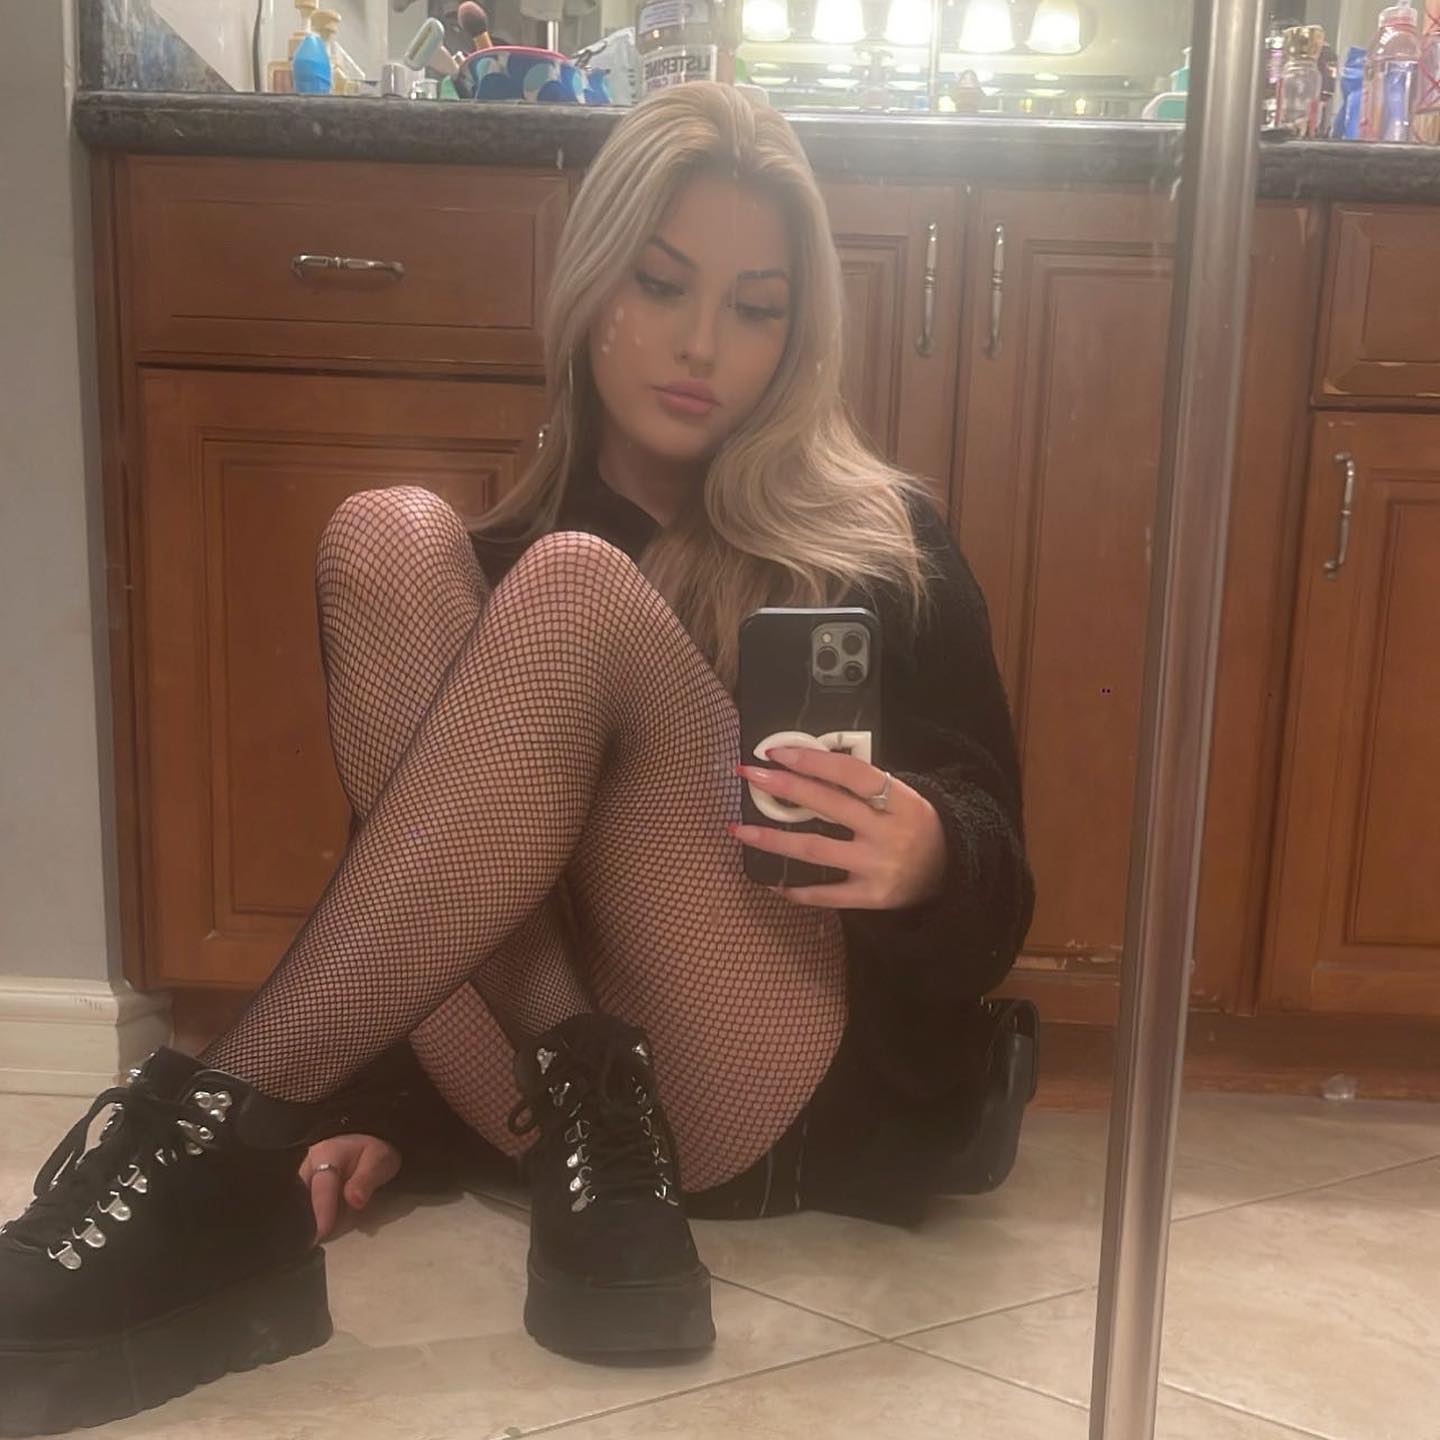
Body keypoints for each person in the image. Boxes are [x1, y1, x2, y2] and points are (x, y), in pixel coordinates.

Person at [0, 82, 1033, 1436]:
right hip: (555, 1127)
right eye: (661, 284)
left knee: (573, 586)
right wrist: (389, 1106)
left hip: (767, 1078)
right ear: (592, 286)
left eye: (757, 308)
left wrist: (936, 852)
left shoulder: (878, 543)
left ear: (800, 337)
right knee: (385, 534)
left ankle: (211, 1132)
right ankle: (475, 1116)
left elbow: (1003, 891)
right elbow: (417, 886)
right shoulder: (489, 573)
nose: (702, 343)